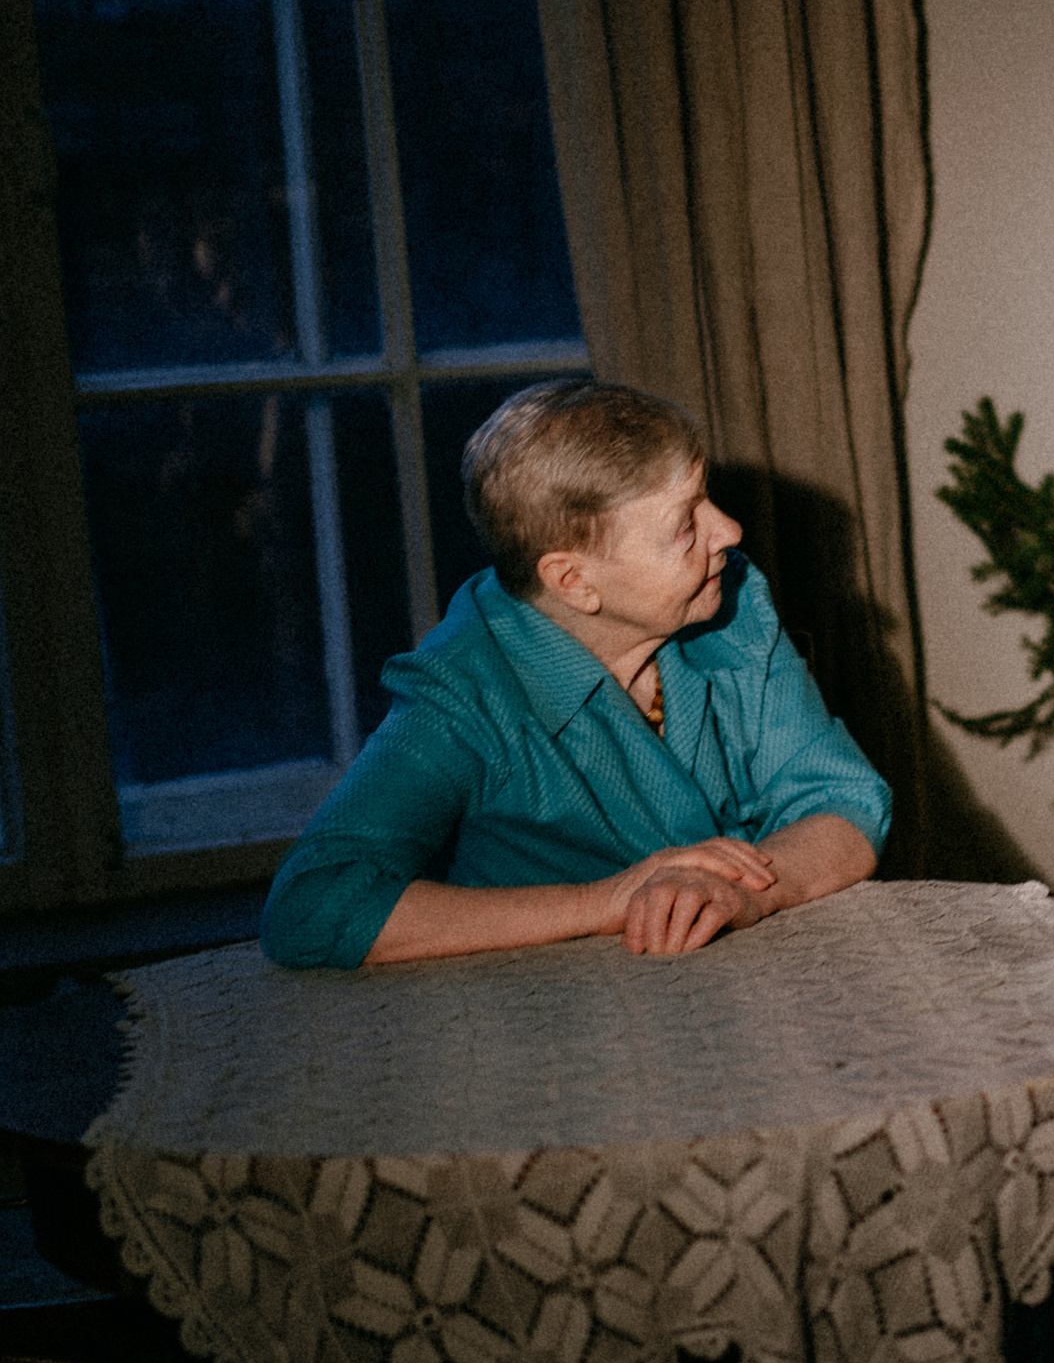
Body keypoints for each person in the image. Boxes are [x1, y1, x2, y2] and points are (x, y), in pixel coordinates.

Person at [264, 380, 890, 969]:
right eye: (685, 525)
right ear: (573, 581)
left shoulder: (730, 602)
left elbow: (843, 801)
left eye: (709, 498)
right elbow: (310, 906)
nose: (729, 530)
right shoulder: (461, 690)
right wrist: (605, 901)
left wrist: (747, 892)